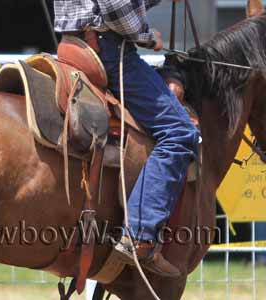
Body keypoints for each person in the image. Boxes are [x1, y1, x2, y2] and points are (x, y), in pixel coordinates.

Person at [54, 0, 200, 278]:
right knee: (180, 133)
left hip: (74, 43)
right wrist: (146, 35)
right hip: (107, 48)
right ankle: (140, 235)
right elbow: (116, 5)